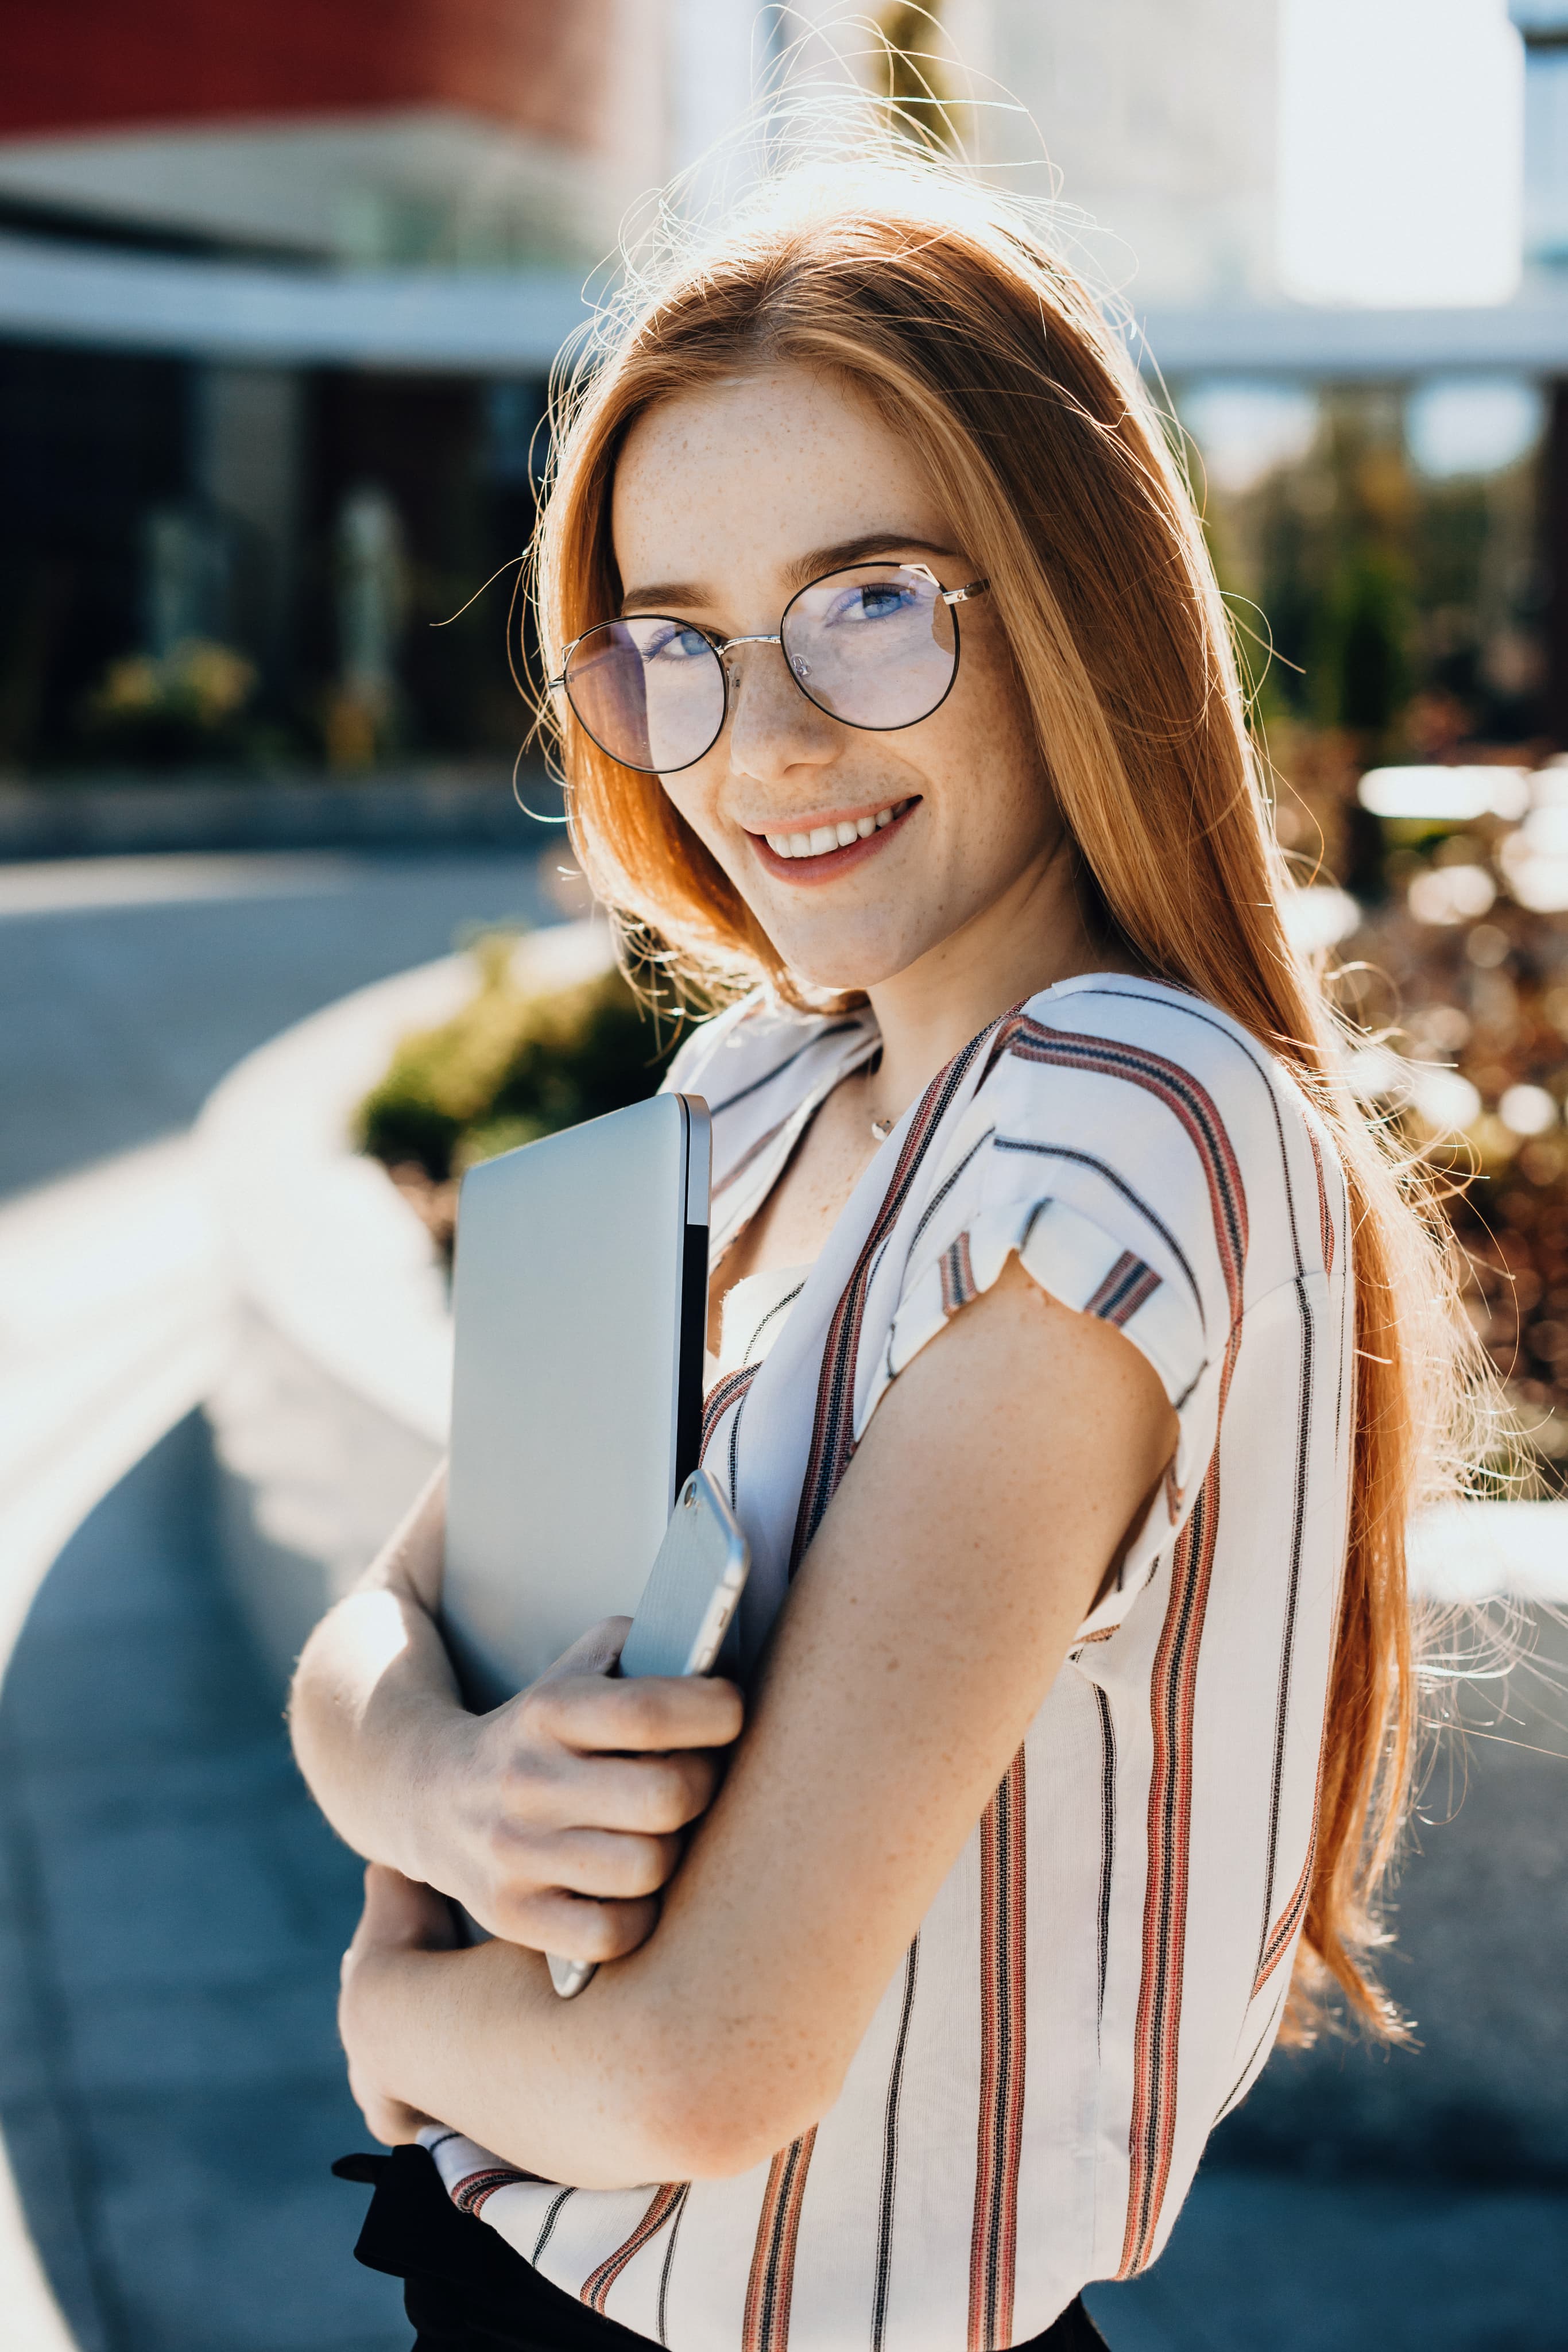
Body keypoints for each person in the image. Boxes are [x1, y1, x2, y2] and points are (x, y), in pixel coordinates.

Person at [290, 133, 1480, 2352]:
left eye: (868, 602)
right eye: (679, 648)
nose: (769, 743)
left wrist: (386, 2009)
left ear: (1074, 597)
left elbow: (704, 2067)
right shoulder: (755, 1087)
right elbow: (380, 1625)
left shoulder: (1121, 1124)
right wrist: (443, 1781)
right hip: (514, 2279)